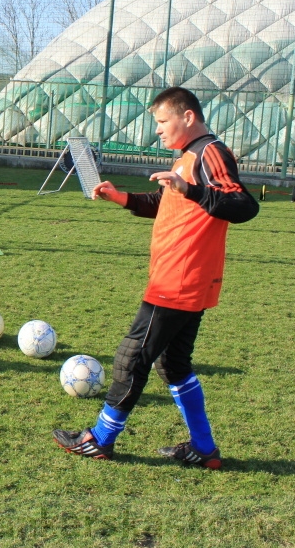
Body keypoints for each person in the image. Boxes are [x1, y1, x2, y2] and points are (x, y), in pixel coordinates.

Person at [53, 87, 259, 469]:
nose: (159, 131)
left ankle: (100, 439)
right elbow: (170, 204)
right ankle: (204, 447)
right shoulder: (187, 157)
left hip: (178, 280)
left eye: (163, 122)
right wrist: (121, 197)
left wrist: (192, 189)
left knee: (133, 358)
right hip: (185, 279)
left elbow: (243, 205)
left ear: (188, 117)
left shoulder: (209, 152)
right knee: (174, 364)